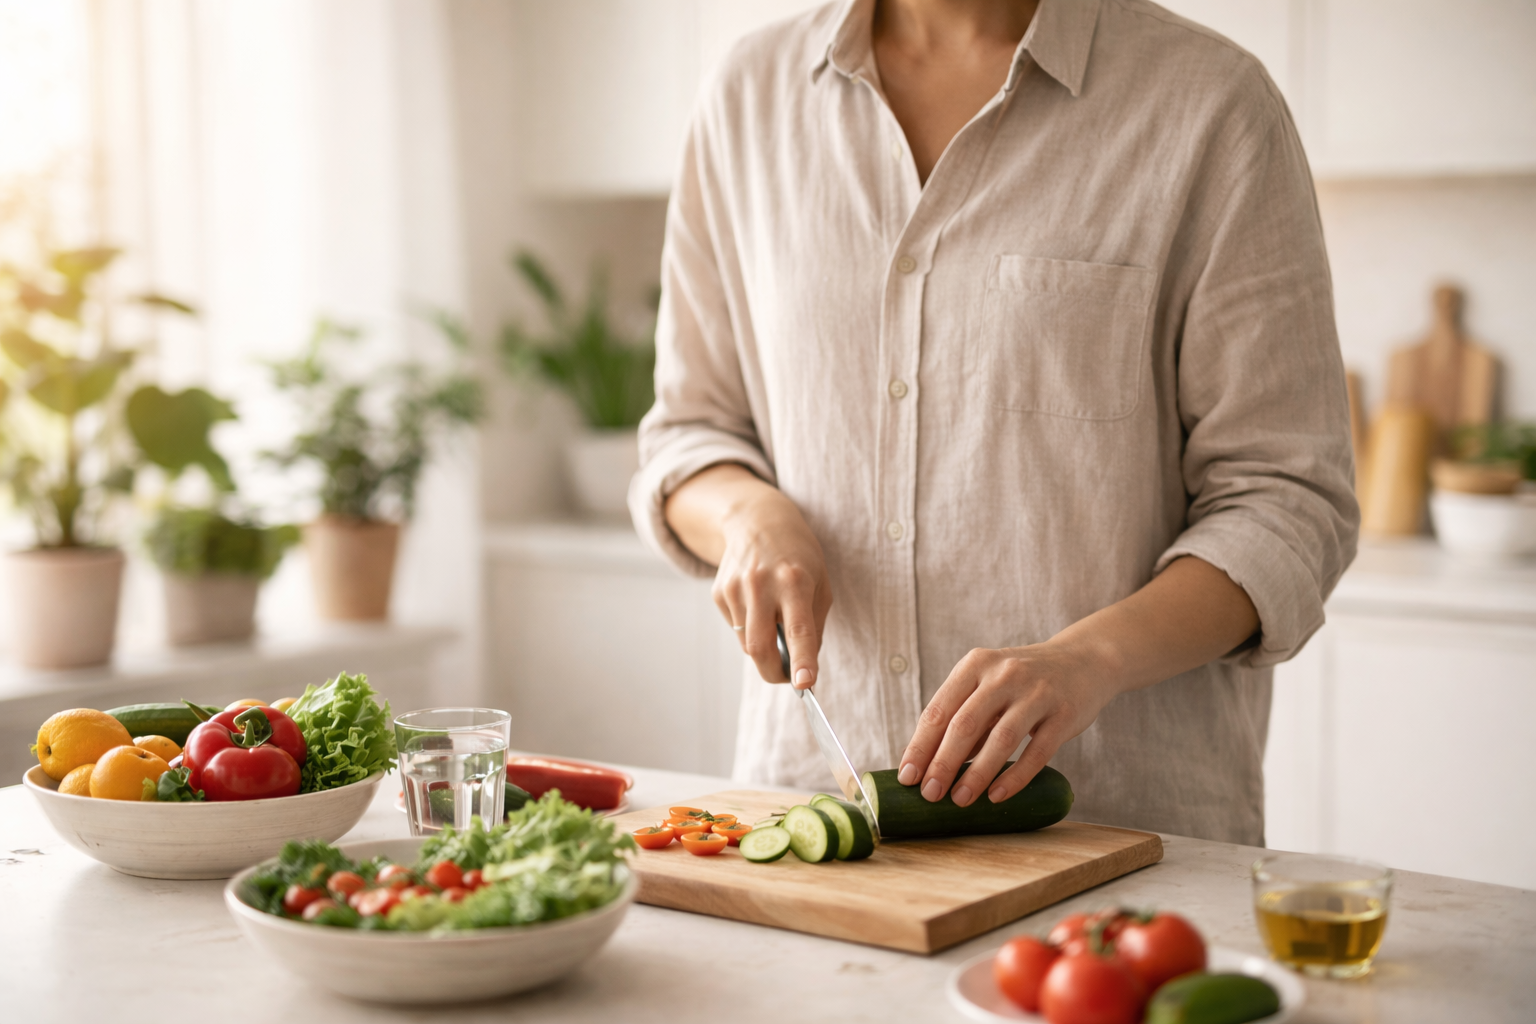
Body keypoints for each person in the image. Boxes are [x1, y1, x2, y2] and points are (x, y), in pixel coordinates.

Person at [629, 0, 1358, 845]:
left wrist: (1092, 660)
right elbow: (688, 435)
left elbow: (1289, 500)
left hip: (1116, 833)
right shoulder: (747, 95)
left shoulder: (1210, 104)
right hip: (809, 817)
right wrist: (750, 517)